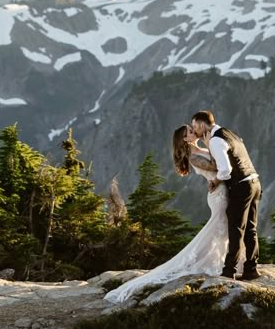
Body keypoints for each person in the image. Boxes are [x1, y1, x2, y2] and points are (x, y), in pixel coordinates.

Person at [104, 124, 232, 304]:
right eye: (189, 131)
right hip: (218, 195)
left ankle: (224, 260)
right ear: (185, 139)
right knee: (219, 228)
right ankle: (212, 262)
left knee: (223, 229)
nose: (193, 130)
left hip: (221, 191)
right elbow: (218, 168)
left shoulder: (201, 148)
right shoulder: (193, 156)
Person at [190, 109, 261, 280]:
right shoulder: (228, 133)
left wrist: (214, 182)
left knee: (236, 228)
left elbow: (225, 170)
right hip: (255, 182)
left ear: (201, 124)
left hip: (241, 186)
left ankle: (229, 271)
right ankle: (251, 268)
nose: (194, 131)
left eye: (194, 126)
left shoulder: (215, 140)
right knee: (250, 228)